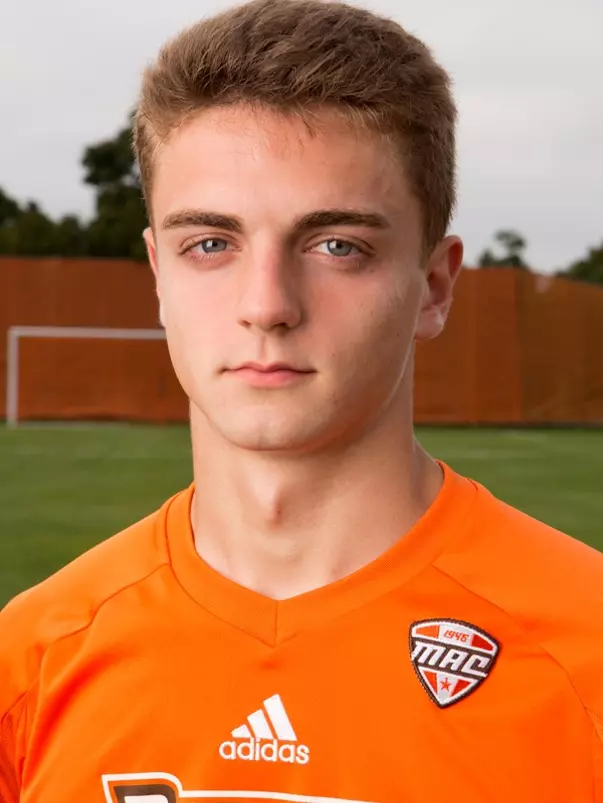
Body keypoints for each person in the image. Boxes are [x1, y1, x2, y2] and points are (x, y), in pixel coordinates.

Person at [1, 0, 602, 800]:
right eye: (209, 244)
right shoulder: (31, 661)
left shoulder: (585, 653)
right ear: (158, 275)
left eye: (336, 246)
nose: (267, 304)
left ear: (432, 286)